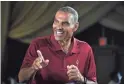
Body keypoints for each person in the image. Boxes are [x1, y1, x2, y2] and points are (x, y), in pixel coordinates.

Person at [18, 6, 97, 84]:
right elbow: (21, 78)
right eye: (56, 22)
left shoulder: (85, 49)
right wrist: (33, 68)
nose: (59, 27)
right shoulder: (38, 44)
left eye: (65, 24)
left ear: (75, 27)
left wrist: (81, 79)